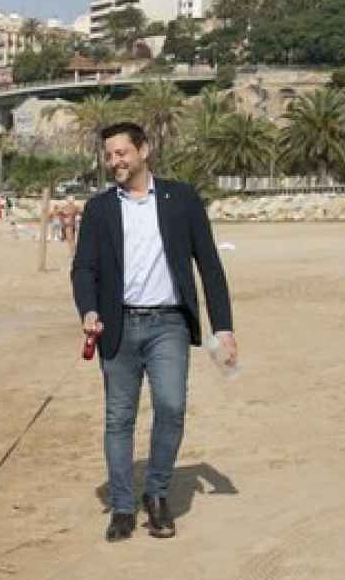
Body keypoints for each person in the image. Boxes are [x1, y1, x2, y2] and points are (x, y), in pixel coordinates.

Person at [71, 122, 237, 542]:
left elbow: (210, 267)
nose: (115, 162)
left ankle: (157, 495)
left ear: (143, 151)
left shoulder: (181, 199)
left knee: (171, 406)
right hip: (117, 326)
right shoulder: (100, 209)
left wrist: (224, 328)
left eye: (122, 153)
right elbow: (83, 268)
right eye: (109, 155)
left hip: (169, 324)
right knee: (119, 419)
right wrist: (88, 310)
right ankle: (123, 508)